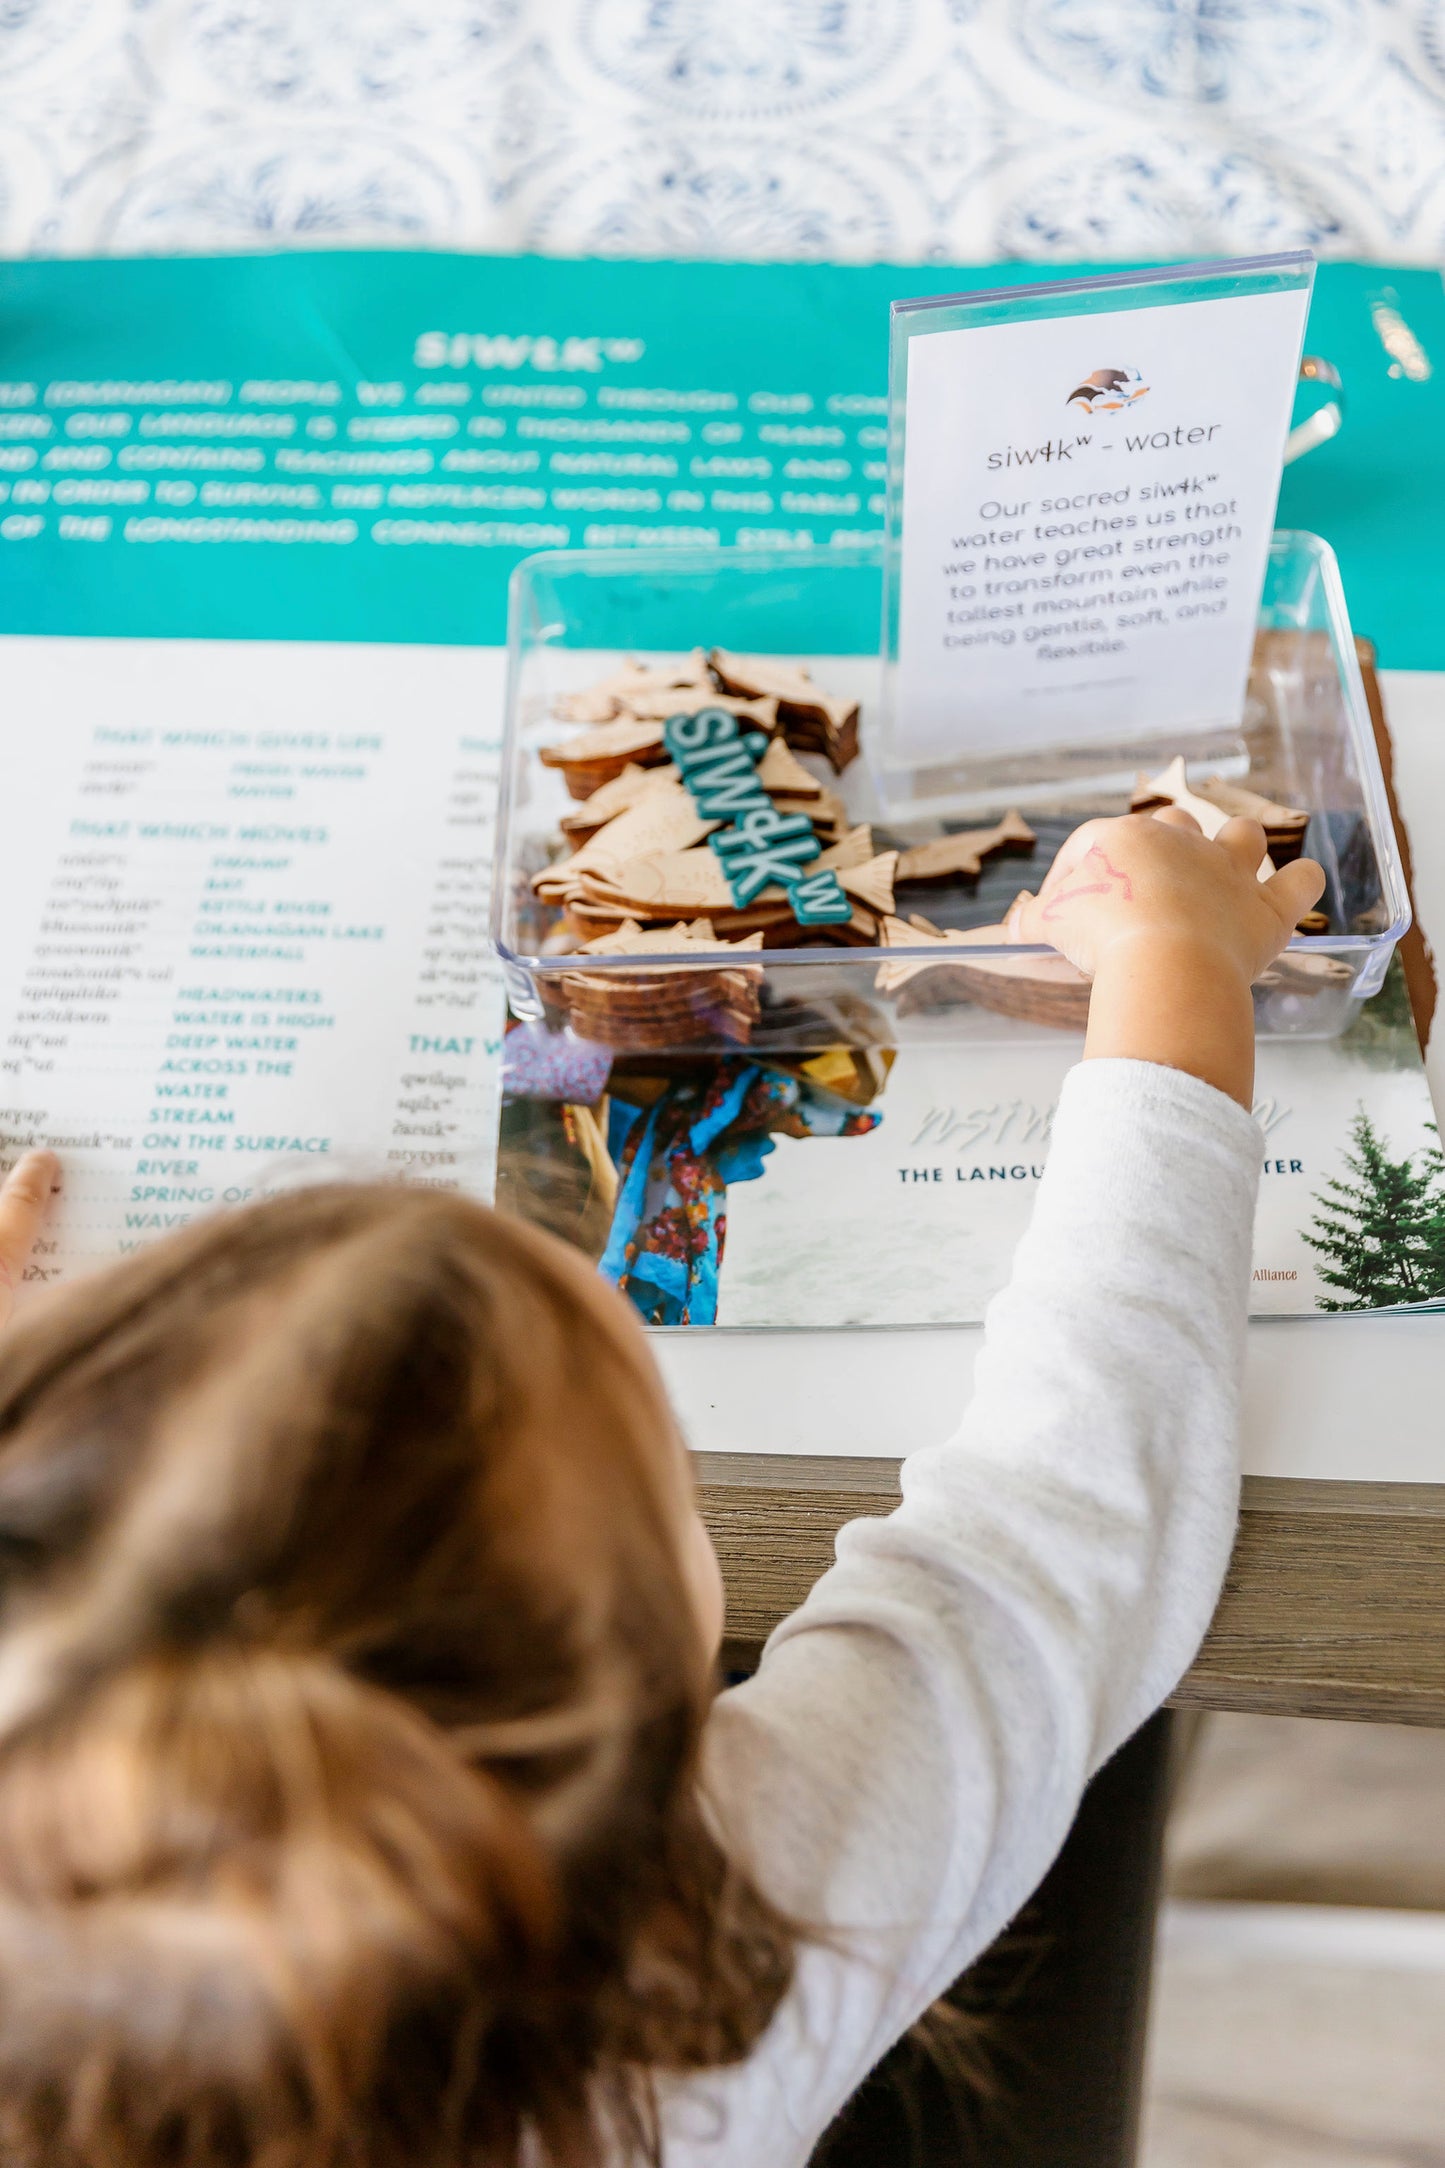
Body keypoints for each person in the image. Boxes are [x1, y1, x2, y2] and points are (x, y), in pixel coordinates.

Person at [0, 808, 1323, 2168]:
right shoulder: (709, 1957)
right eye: (665, 1476)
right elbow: (1059, 1524)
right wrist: (1176, 959)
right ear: (609, 1717)